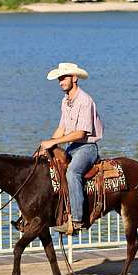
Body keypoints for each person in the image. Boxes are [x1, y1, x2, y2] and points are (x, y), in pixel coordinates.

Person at [40, 62, 104, 233]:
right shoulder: (65, 101)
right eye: (59, 78)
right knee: (51, 168)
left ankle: (77, 220)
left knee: (72, 172)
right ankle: (57, 213)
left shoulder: (85, 100)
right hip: (72, 146)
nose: (60, 81)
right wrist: (47, 145)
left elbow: (81, 133)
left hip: (87, 147)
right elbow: (62, 127)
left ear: (74, 78)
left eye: (63, 78)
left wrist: (54, 142)